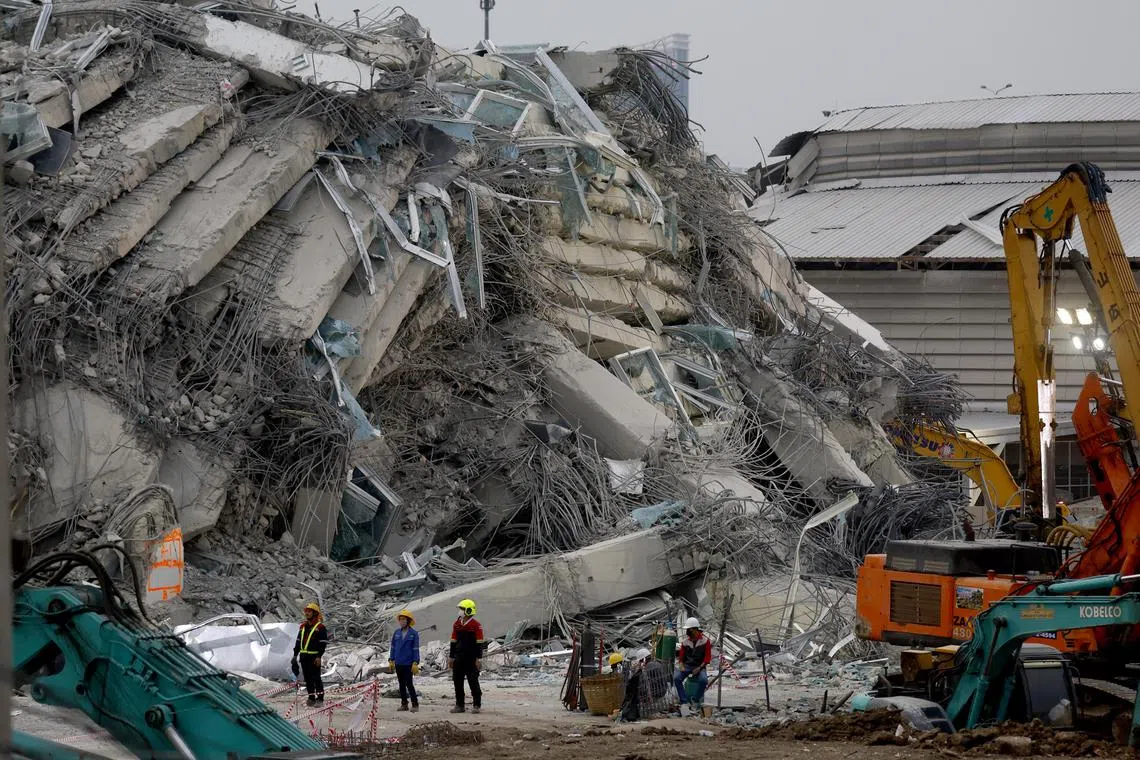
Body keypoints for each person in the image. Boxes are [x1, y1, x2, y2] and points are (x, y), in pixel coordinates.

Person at [449, 598, 485, 714]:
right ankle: (460, 705)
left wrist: (478, 659)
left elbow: (479, 643)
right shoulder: (457, 624)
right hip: (458, 657)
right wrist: (451, 657)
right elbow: (453, 641)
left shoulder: (476, 625)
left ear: (468, 610)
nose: (460, 611)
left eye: (462, 609)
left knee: (473, 681)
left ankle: (476, 705)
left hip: (471, 658)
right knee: (457, 681)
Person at [292, 602, 328, 706]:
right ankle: (311, 698)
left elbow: (323, 644)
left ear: (315, 613)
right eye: (306, 611)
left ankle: (320, 699)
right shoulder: (302, 626)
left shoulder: (320, 627)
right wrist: (295, 655)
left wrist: (319, 656)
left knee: (316, 677)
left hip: (314, 657)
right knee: (307, 678)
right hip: (304, 657)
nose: (307, 613)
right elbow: (298, 642)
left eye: (309, 611)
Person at [673, 616, 712, 708]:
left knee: (703, 680)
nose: (687, 632)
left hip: (700, 665)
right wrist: (681, 665)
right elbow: (681, 658)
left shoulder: (705, 641)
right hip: (687, 666)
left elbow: (707, 659)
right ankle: (684, 701)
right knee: (677, 678)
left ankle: (695, 699)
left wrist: (699, 668)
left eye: (689, 629)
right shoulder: (685, 642)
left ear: (695, 629)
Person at [387, 609, 421, 712]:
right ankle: (404, 704)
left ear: (408, 621)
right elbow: (393, 647)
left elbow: (415, 648)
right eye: (400, 619)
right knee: (401, 684)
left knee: (409, 684)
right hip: (398, 662)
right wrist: (391, 659)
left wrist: (415, 662)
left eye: (404, 619)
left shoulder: (413, 634)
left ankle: (415, 704)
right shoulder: (396, 633)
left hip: (408, 663)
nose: (402, 621)